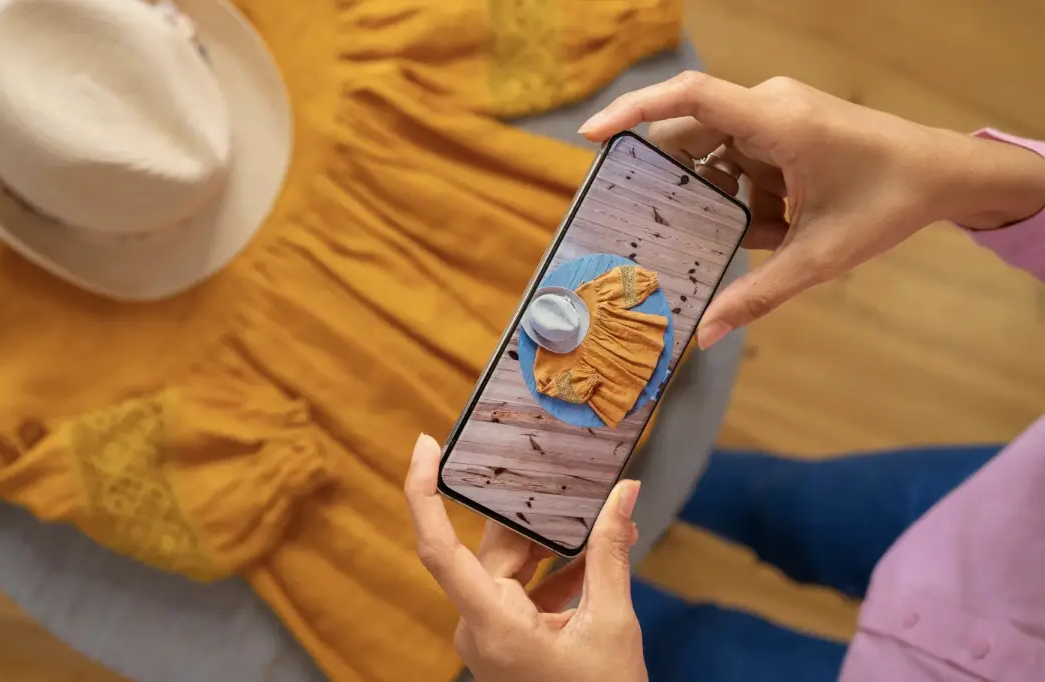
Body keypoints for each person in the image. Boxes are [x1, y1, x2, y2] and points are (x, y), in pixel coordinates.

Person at [404, 72, 1045, 682]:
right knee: (780, 501)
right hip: (1008, 512)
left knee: (673, 642)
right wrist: (979, 177)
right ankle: (678, 489)